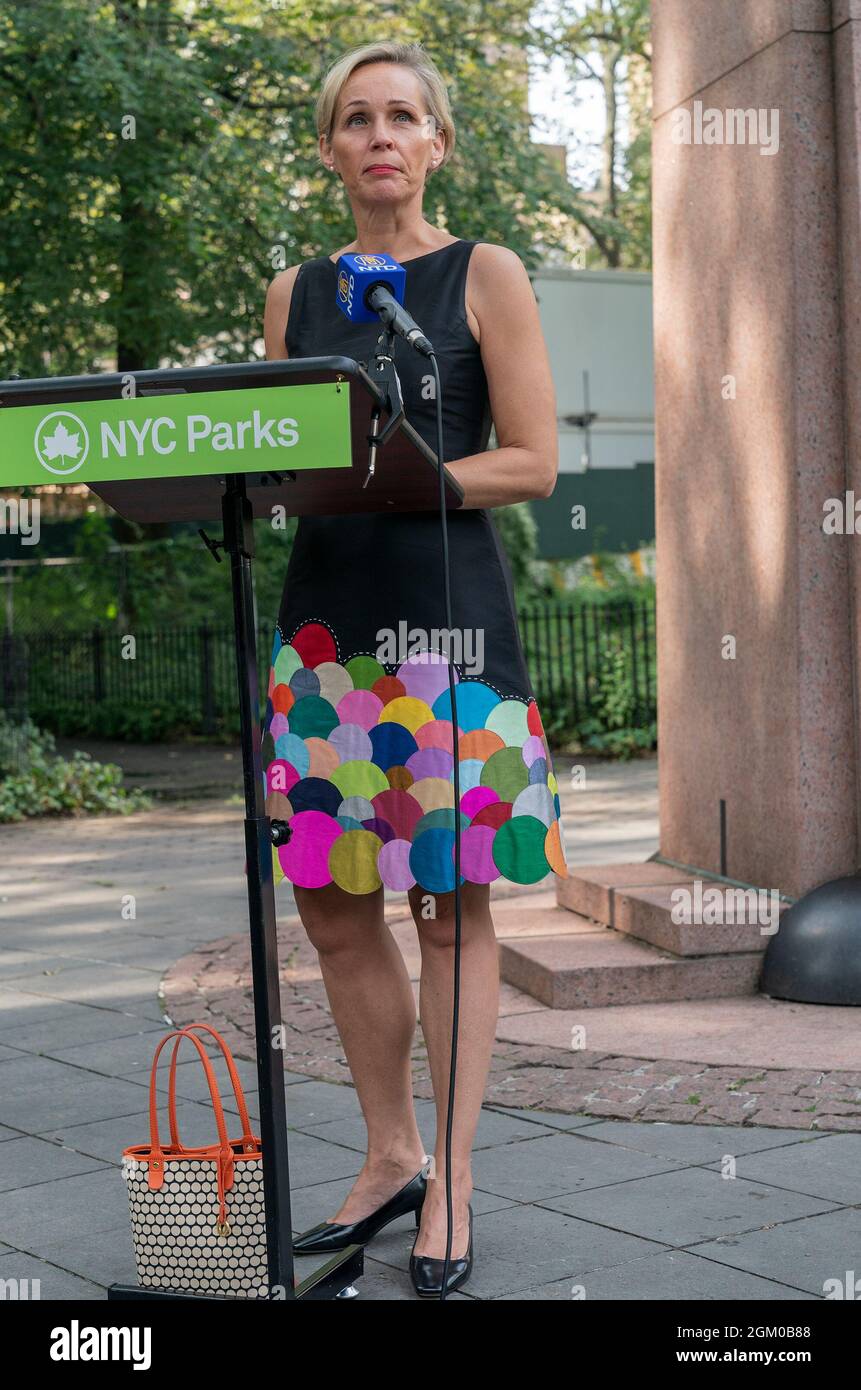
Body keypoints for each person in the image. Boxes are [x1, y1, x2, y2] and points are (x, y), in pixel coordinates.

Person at [262, 38, 568, 1298]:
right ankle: (387, 1148)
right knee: (336, 910)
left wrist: (416, 479)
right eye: (356, 118)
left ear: (437, 142)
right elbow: (279, 449)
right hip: (325, 633)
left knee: (449, 903)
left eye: (404, 116)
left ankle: (452, 1169)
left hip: (447, 633)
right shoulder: (295, 291)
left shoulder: (482, 271)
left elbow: (537, 459)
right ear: (332, 149)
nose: (381, 135)